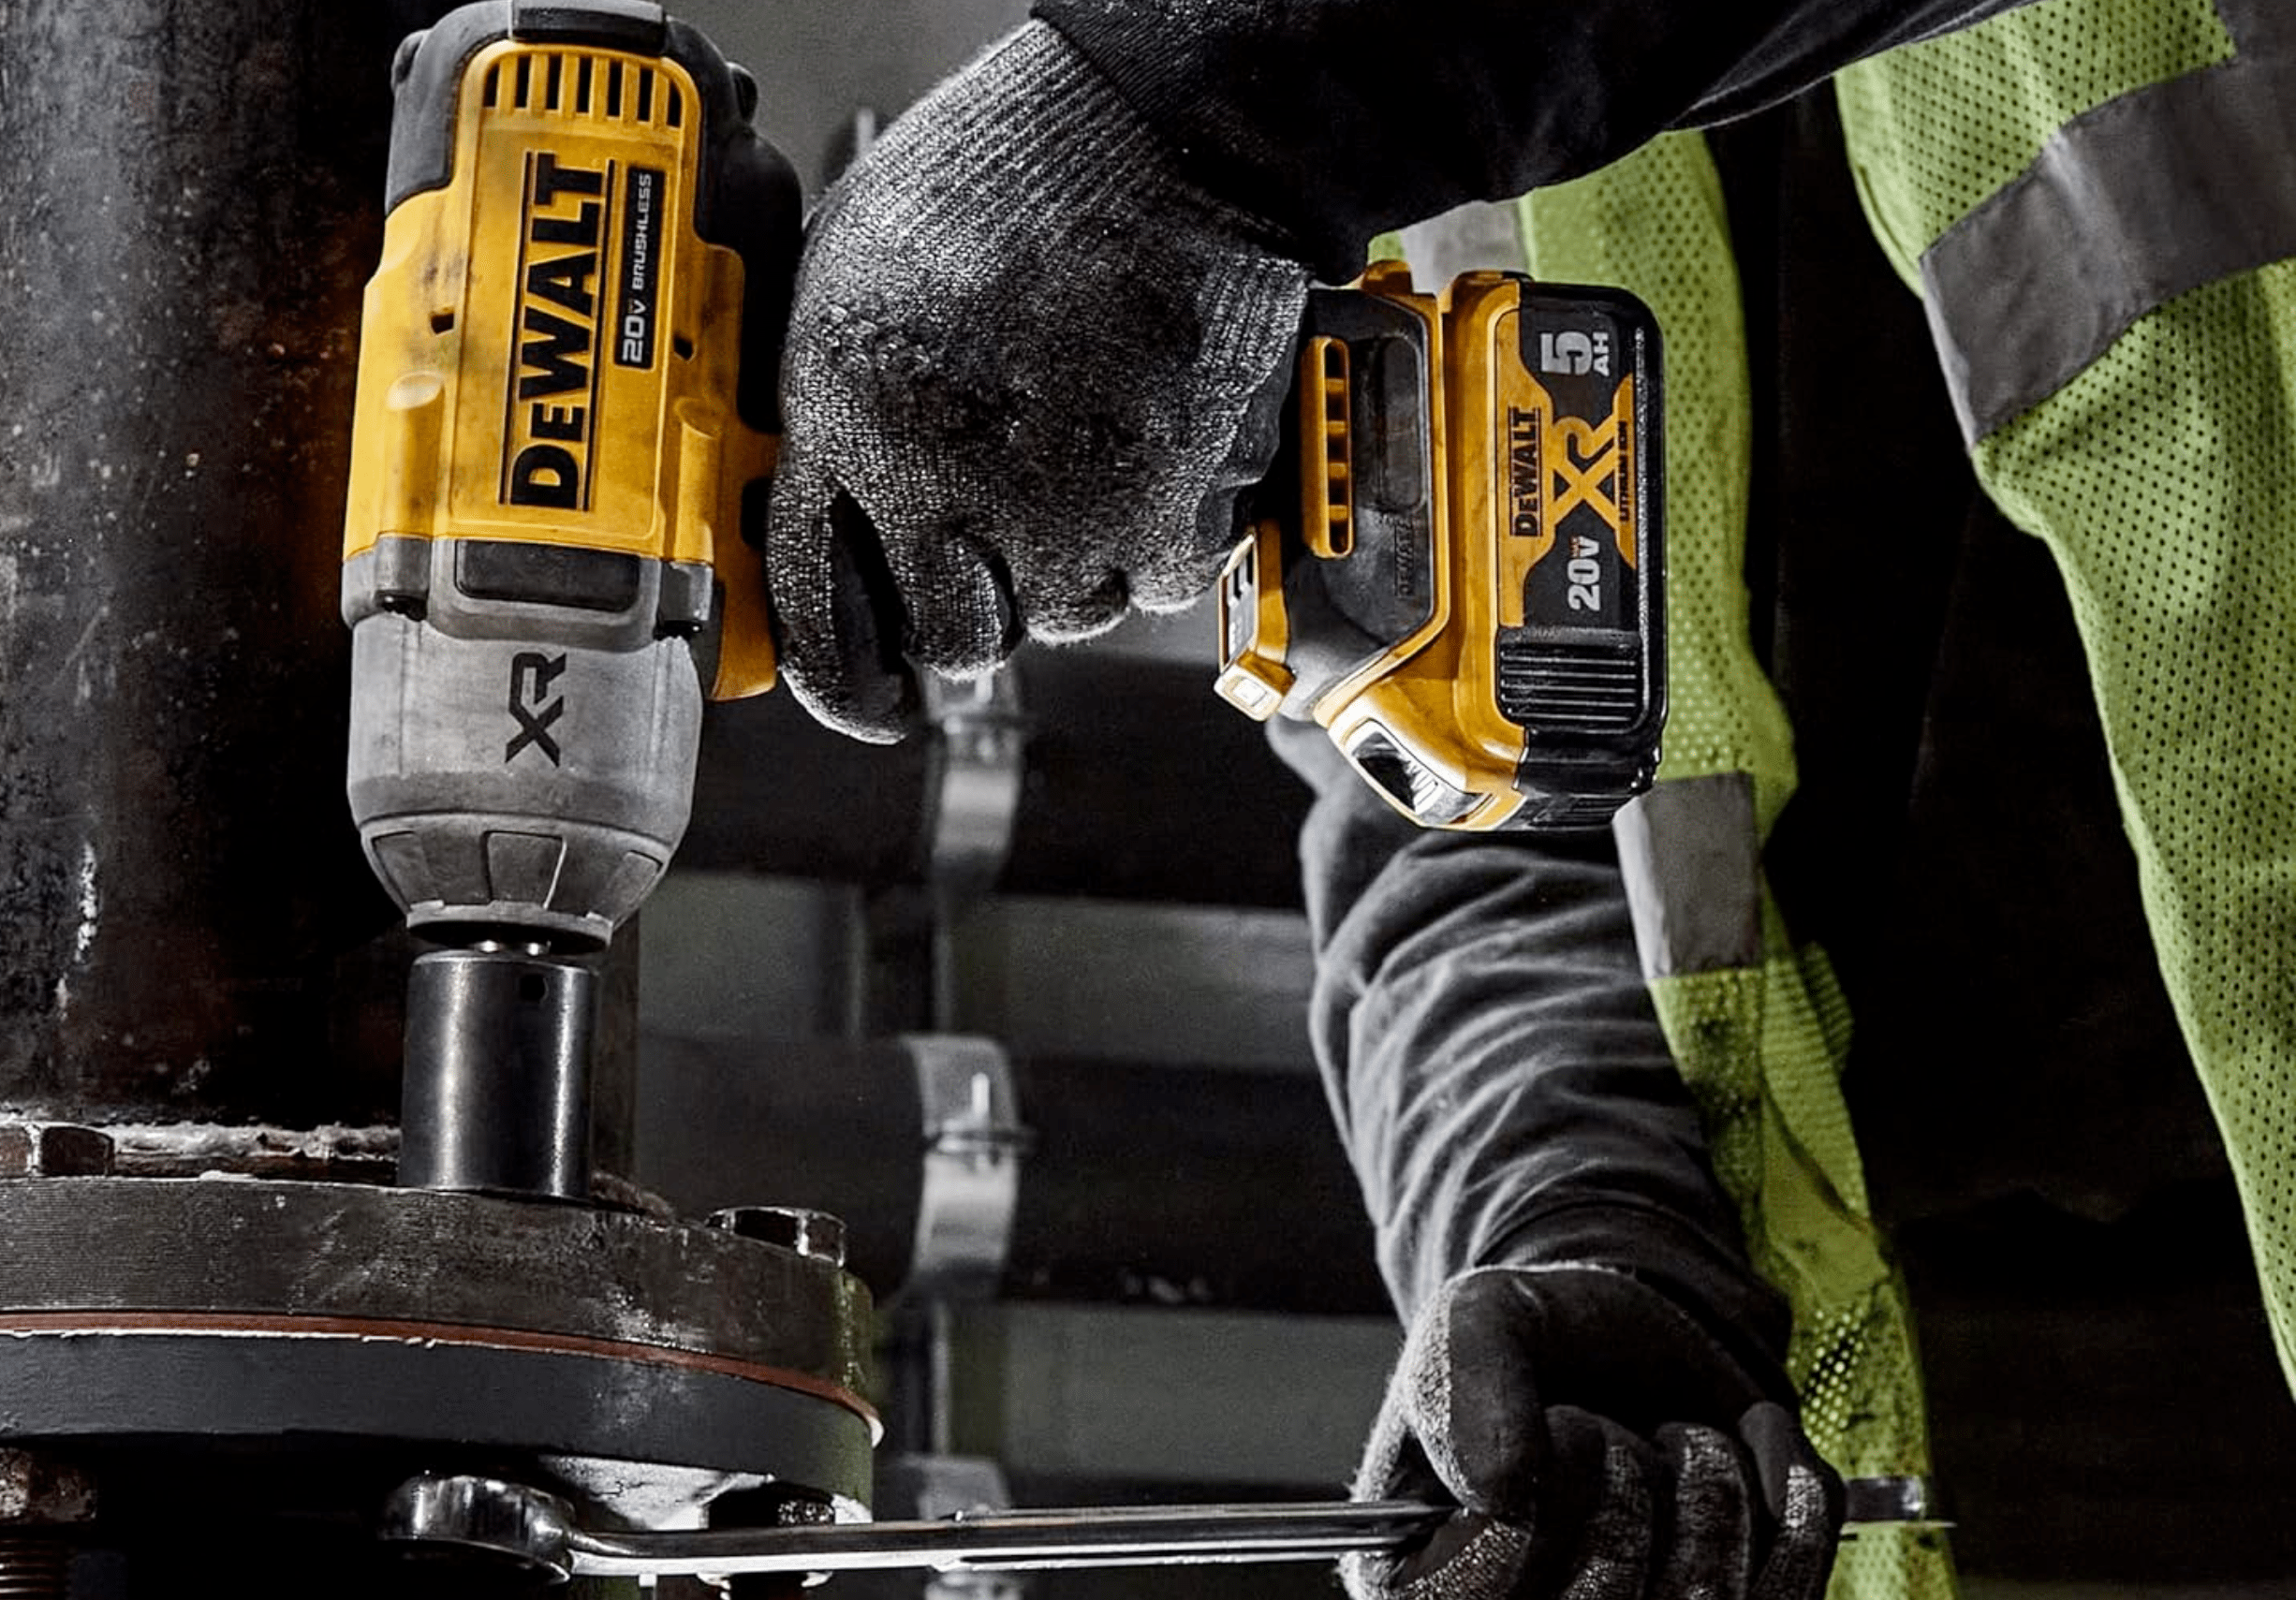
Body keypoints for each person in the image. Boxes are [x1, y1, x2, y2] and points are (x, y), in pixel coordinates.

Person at [762, 3, 2296, 1596]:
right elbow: (1477, 835)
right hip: (1984, 1393)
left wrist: (1219, 93)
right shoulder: (1403, 183)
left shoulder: (1342, 88)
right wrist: (1582, 1215)